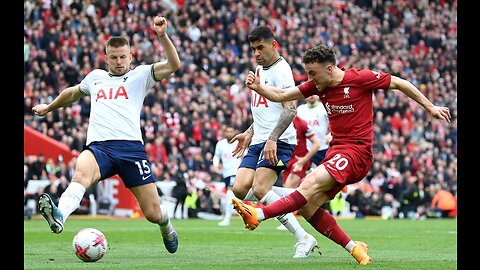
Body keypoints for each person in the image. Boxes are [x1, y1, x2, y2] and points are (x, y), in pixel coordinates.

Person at [232, 43, 451, 265]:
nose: (310, 78)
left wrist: (430, 106)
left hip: (357, 152)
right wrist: (260, 88)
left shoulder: (359, 78)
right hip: (337, 152)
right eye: (308, 73)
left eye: (312, 73)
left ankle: (258, 215)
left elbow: (399, 83)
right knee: (308, 206)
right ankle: (354, 248)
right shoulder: (318, 86)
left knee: (309, 182)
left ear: (329, 69)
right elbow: (283, 94)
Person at [32, 16, 181, 254]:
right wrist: (49, 107)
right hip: (100, 147)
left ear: (131, 56)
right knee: (81, 173)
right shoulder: (95, 78)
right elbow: (72, 94)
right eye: (114, 57)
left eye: (123, 56)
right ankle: (60, 216)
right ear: (106, 58)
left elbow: (174, 65)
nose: (119, 61)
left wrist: (162, 36)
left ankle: (166, 226)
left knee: (153, 213)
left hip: (131, 149)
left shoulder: (141, 75)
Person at [230, 25, 318, 259]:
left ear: (273, 45)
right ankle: (292, 195)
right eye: (253, 49)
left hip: (280, 141)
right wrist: (248, 132)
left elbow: (290, 109)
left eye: (260, 48)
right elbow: (263, 110)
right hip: (259, 139)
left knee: (260, 189)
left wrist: (272, 139)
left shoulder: (281, 70)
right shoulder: (260, 68)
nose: (256, 53)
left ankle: (303, 238)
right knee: (239, 189)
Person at [210, 126, 243, 226]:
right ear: (225, 133)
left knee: (229, 193)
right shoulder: (220, 144)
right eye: (227, 131)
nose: (229, 133)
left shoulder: (238, 142)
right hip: (226, 173)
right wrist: (215, 165)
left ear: (234, 132)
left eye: (231, 131)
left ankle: (227, 218)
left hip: (236, 172)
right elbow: (216, 156)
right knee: (234, 195)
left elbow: (245, 153)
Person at [282, 115, 320, 189]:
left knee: (288, 188)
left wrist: (303, 160)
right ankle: (306, 180)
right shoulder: (278, 122)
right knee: (287, 190)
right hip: (287, 161)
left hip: (298, 161)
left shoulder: (301, 123)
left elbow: (317, 144)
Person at [296, 95, 331, 168]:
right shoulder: (300, 109)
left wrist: (330, 134)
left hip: (323, 147)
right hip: (306, 149)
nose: (311, 95)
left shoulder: (325, 107)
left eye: (313, 93)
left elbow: (333, 123)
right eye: (308, 93)